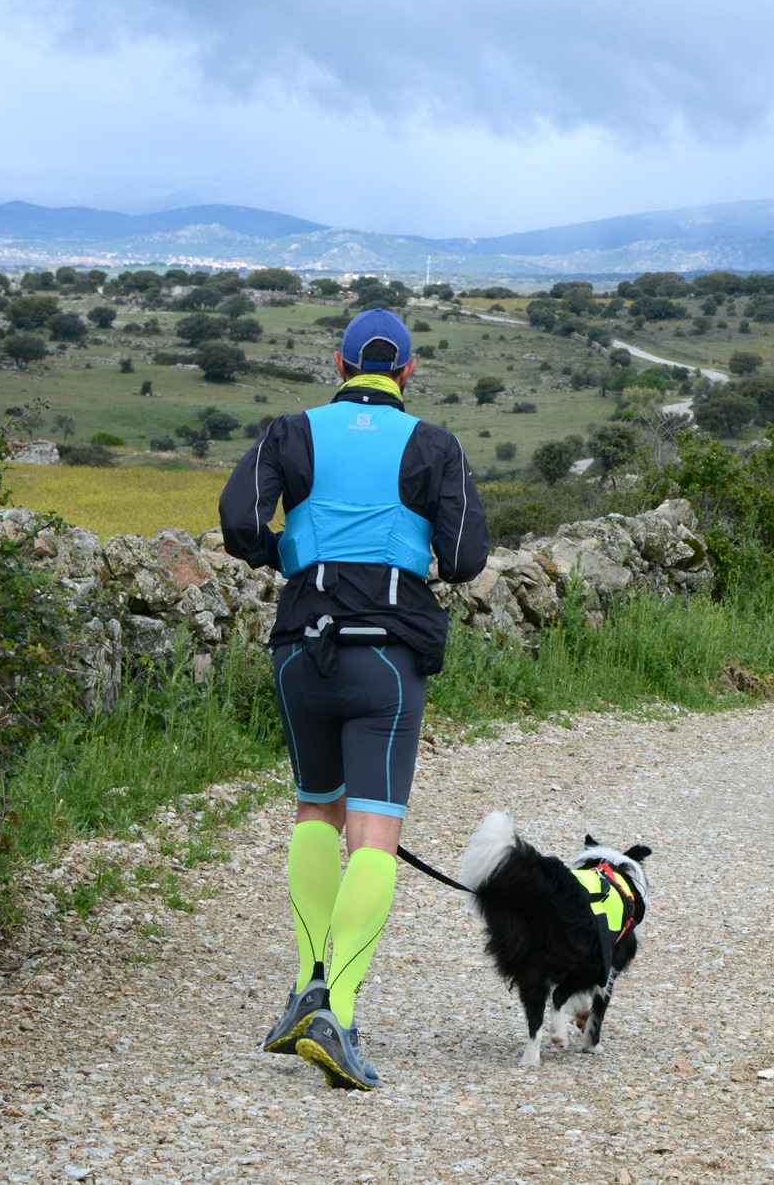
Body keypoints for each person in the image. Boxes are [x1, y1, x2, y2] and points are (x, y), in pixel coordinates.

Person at [218, 307, 488, 1090]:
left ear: (339, 365)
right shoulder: (434, 445)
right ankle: (338, 1009)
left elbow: (239, 521)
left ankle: (305, 983)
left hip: (303, 649)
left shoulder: (289, 431)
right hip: (386, 659)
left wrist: (291, 554)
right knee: (372, 833)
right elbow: (467, 557)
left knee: (313, 810)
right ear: (406, 372)